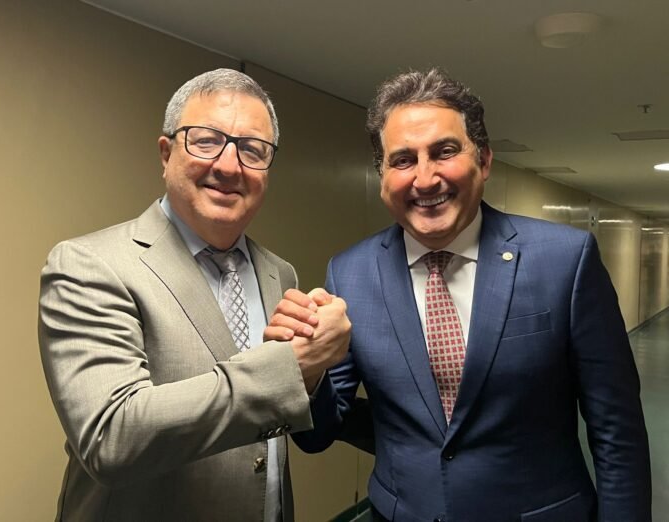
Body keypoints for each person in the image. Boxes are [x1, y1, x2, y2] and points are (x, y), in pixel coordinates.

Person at [267, 68, 652, 521]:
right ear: (382, 175)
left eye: (444, 152)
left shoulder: (565, 260)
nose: (425, 179)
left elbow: (617, 432)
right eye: (403, 160)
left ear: (483, 161)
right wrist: (306, 370)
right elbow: (317, 436)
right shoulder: (350, 273)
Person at [38, 68, 350, 522]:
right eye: (206, 141)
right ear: (166, 154)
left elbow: (294, 427)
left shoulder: (279, 273)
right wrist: (290, 365)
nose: (229, 166)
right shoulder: (89, 264)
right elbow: (111, 438)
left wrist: (315, 367)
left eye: (252, 149)